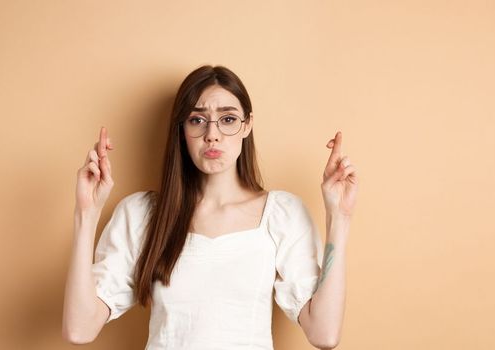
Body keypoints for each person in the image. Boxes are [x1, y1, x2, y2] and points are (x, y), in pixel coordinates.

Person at [62, 65, 358, 349]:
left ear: (247, 125)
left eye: (228, 119)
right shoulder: (142, 214)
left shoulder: (281, 214)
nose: (212, 134)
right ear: (181, 130)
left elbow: (324, 333)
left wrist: (338, 218)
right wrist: (86, 214)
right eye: (197, 120)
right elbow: (79, 328)